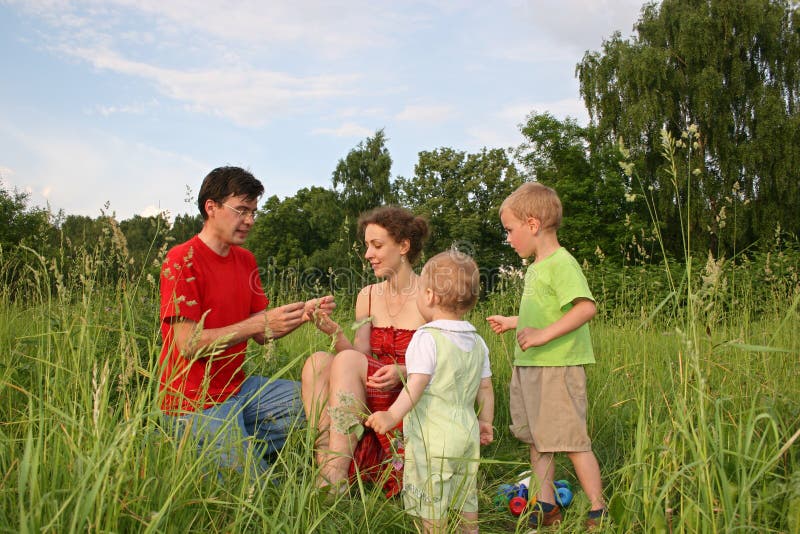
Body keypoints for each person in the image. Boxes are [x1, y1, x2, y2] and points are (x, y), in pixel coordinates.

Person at [158, 166, 334, 475]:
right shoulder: (181, 259)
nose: (250, 220)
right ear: (211, 207)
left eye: (253, 211)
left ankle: (238, 447)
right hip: (194, 402)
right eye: (241, 210)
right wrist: (257, 324)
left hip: (239, 389)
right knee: (259, 495)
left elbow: (262, 334)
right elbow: (188, 345)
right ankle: (219, 454)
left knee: (322, 402)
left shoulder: (245, 259)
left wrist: (301, 315)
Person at [486, 182, 608, 530]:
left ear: (533, 224)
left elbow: (585, 308)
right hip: (531, 367)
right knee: (538, 440)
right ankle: (545, 505)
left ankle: (599, 510)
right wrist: (516, 323)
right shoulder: (537, 265)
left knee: (571, 440)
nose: (508, 238)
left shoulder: (561, 262)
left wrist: (541, 335)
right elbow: (548, 312)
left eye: (510, 230)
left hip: (557, 366)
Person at [301, 206, 429, 496]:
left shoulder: (430, 295)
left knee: (341, 361)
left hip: (409, 396)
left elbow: (449, 358)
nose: (368, 254)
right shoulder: (367, 296)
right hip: (372, 391)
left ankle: (334, 477)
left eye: (377, 245)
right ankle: (328, 463)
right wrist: (334, 332)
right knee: (317, 362)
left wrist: (406, 371)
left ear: (404, 246)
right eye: (366, 246)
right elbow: (359, 358)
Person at [366, 251, 494, 534]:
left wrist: (391, 414)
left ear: (431, 296)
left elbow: (416, 384)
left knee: (431, 497)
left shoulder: (426, 338)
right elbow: (485, 386)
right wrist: (485, 421)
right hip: (467, 433)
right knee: (464, 493)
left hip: (433, 436)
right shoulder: (477, 340)